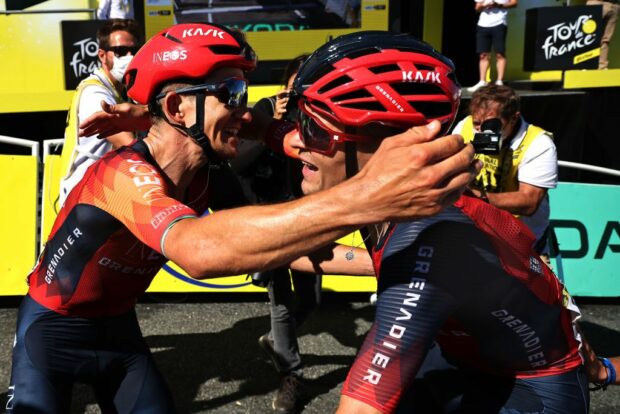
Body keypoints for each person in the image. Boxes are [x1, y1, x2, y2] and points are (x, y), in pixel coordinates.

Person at [6, 23, 477, 413]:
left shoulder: (209, 177)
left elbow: (289, 247)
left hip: (117, 332)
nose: (243, 107)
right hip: (50, 333)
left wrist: (407, 263)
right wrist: (368, 197)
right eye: (230, 92)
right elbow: (201, 250)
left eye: (243, 92)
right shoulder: (122, 174)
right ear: (175, 108)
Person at [284, 30, 589, 413]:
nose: (293, 142)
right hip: (465, 351)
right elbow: (311, 251)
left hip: (528, 390)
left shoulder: (429, 238)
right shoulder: (406, 220)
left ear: (387, 146)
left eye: (313, 128)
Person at [231, 54, 321, 413]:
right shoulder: (261, 115)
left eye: (311, 87)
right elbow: (240, 162)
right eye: (298, 86)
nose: (302, 94)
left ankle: (275, 340)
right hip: (267, 219)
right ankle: (292, 375)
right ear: (286, 86)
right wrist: (272, 126)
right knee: (280, 300)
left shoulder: (315, 122)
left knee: (311, 300)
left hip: (305, 220)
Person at [452, 84, 557, 257]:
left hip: (522, 245)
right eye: (477, 123)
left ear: (514, 119)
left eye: (491, 124)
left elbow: (529, 202)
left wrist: (477, 197)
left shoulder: (539, 143)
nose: (481, 130)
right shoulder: (465, 126)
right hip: (475, 236)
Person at [58, 18, 142, 206]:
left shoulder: (121, 90)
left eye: (134, 51)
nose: (129, 57)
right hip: (83, 197)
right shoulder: (95, 93)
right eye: (120, 52)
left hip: (104, 190)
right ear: (102, 56)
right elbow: (129, 143)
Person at [467, 0, 518, 93]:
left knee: (500, 53)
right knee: (483, 55)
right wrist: (484, 5)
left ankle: (499, 81)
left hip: (499, 24)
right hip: (482, 25)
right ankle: (482, 81)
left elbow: (514, 3)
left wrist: (499, 4)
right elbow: (477, 8)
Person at [587, 0, 619, 69]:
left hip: (614, 5)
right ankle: (585, 65)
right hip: (596, 2)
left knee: (606, 40)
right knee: (588, 36)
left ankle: (602, 66)